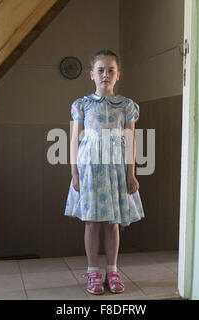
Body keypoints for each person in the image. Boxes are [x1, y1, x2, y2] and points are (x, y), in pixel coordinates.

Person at [64, 49, 145, 295]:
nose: (105, 74)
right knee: (92, 222)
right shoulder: (82, 105)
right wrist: (74, 173)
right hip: (89, 170)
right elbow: (74, 141)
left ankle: (112, 270)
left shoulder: (127, 107)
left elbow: (130, 141)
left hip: (116, 171)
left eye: (111, 70)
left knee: (112, 224)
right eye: (100, 70)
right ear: (92, 74)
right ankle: (92, 272)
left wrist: (131, 173)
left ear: (118, 75)